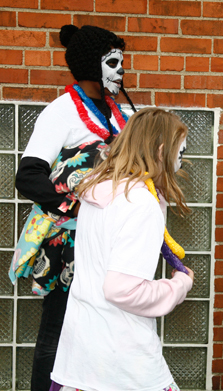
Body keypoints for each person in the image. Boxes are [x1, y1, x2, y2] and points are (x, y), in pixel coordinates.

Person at [12, 24, 135, 391]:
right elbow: (28, 177)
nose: (122, 70)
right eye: (113, 62)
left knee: (104, 330)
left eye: (122, 62)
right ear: (89, 63)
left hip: (110, 241)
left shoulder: (120, 113)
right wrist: (76, 207)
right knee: (59, 329)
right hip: (69, 245)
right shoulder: (62, 111)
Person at [49, 107, 194, 391]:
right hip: (124, 366)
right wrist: (179, 285)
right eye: (180, 152)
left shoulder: (101, 193)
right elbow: (121, 290)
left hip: (79, 361)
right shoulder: (139, 205)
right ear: (162, 151)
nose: (182, 161)